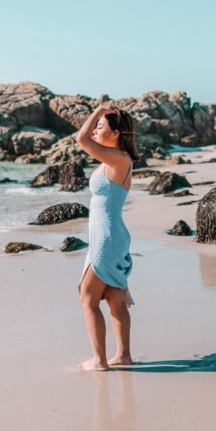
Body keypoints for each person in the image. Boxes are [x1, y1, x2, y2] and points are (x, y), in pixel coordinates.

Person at [74, 104, 142, 371]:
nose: (95, 130)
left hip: (107, 237)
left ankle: (99, 360)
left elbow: (81, 139)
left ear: (115, 134)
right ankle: (123, 355)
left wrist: (98, 110)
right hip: (108, 235)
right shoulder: (112, 159)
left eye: (100, 126)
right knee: (114, 296)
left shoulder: (119, 159)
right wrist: (100, 115)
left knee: (87, 297)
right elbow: (87, 140)